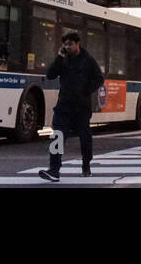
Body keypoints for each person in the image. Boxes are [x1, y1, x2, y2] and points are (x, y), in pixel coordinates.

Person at [39, 31, 105, 182]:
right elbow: (50, 75)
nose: (67, 47)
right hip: (63, 106)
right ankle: (54, 170)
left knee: (85, 138)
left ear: (77, 44)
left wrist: (86, 90)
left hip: (81, 107)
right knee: (58, 135)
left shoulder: (88, 60)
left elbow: (99, 78)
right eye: (65, 44)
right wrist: (58, 58)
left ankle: (86, 164)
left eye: (70, 44)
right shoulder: (63, 59)